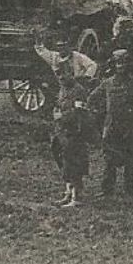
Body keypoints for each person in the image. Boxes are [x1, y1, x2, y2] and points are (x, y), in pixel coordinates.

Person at [96, 50, 133, 197]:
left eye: (124, 63)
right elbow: (93, 98)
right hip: (111, 126)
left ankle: (130, 190)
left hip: (129, 127)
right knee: (109, 160)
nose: (121, 66)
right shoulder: (107, 83)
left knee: (131, 160)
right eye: (118, 63)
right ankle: (107, 190)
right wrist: (101, 117)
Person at [49, 78, 91, 208]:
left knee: (74, 162)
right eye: (58, 74)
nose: (61, 77)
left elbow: (79, 112)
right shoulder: (63, 88)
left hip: (74, 132)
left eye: (64, 73)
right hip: (62, 131)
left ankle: (77, 196)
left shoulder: (78, 90)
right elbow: (58, 105)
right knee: (63, 160)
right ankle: (69, 192)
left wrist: (63, 116)